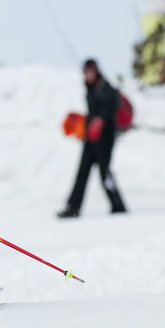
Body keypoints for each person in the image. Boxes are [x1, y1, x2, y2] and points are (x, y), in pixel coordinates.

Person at [58, 59, 127, 218]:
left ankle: (118, 205)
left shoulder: (106, 87)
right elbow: (93, 112)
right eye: (85, 72)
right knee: (82, 172)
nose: (88, 74)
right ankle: (73, 207)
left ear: (96, 71)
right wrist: (83, 123)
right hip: (90, 139)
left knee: (105, 173)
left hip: (104, 139)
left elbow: (109, 110)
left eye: (90, 71)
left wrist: (99, 120)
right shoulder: (90, 89)